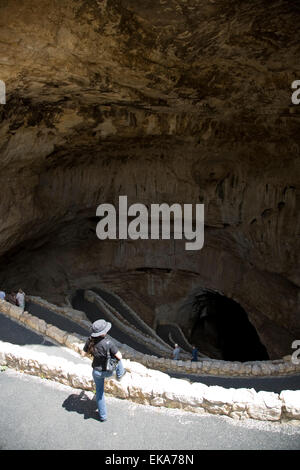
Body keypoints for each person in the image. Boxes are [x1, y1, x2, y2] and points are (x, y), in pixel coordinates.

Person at [83, 319, 126, 422]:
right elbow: (119, 356)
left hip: (96, 372)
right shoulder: (108, 343)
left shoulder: (90, 340)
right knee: (118, 360)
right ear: (104, 332)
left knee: (99, 393)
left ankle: (103, 416)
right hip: (107, 371)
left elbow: (83, 353)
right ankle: (120, 375)